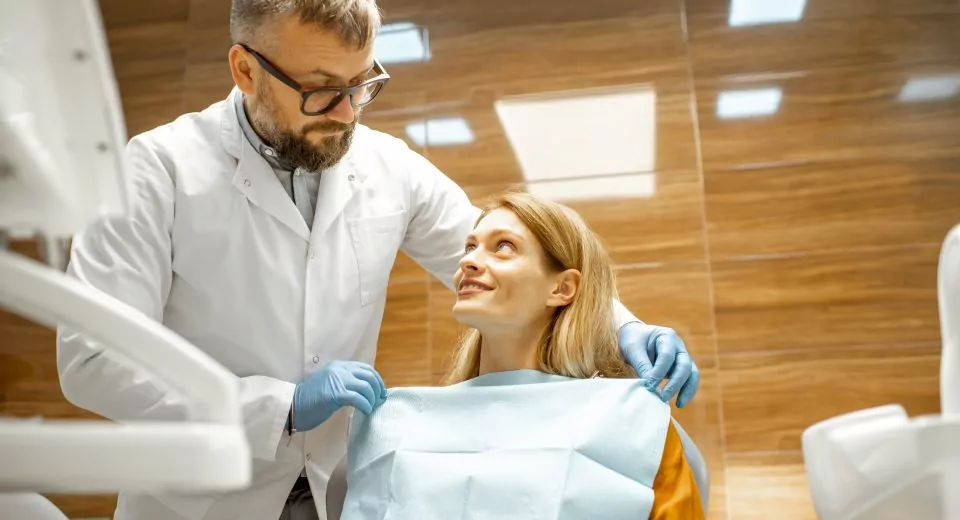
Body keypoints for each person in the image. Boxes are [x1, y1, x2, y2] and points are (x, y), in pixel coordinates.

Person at [55, 1, 700, 519]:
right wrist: (277, 406)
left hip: (335, 491)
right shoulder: (157, 169)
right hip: (200, 501)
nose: (345, 114)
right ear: (245, 70)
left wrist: (622, 325)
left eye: (362, 84)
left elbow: (498, 252)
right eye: (320, 90)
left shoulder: (384, 164)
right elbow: (92, 359)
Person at [337, 191, 705, 520]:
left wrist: (623, 326)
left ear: (562, 288)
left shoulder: (632, 423)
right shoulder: (393, 426)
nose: (469, 261)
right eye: (469, 247)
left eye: (504, 247)